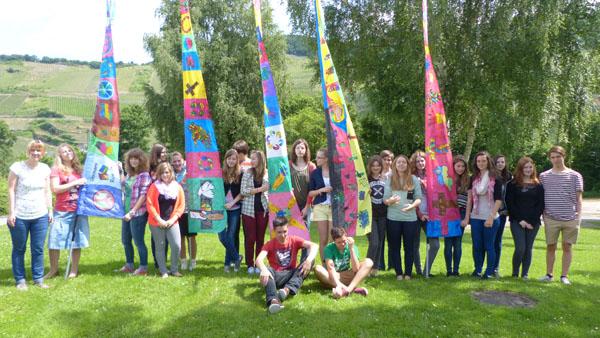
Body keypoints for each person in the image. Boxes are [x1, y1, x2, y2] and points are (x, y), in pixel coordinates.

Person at [7, 140, 52, 290]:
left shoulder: (45, 169)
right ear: (28, 151)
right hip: (20, 215)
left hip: (40, 215)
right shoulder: (17, 167)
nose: (36, 153)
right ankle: (20, 280)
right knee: (19, 248)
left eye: (39, 150)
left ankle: (38, 279)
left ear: (43, 153)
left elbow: (47, 191)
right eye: (33, 150)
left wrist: (50, 210)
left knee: (38, 248)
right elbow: (11, 190)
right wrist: (11, 212)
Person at [538, 146, 583, 285]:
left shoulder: (575, 175)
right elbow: (540, 197)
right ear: (550, 159)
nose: (555, 160)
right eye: (552, 157)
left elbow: (579, 198)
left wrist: (578, 216)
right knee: (551, 246)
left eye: (558, 156)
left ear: (564, 156)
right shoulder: (544, 176)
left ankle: (564, 276)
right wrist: (543, 215)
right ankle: (549, 274)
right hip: (551, 218)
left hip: (570, 218)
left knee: (567, 247)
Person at [256, 216, 318, 314]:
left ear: (288, 229)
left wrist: (308, 260)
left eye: (285, 231)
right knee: (267, 270)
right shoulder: (270, 244)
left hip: (291, 274)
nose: (283, 235)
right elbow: (259, 259)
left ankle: (286, 290)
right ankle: (274, 301)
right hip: (276, 276)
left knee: (310, 260)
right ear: (274, 231)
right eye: (279, 232)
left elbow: (314, 245)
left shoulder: (293, 239)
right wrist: (263, 270)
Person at [45, 143, 89, 279]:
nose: (68, 152)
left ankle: (74, 270)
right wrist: (76, 183)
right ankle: (53, 270)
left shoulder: (79, 170)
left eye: (69, 150)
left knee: (77, 240)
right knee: (54, 239)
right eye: (64, 151)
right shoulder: (56, 170)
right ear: (60, 155)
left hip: (79, 210)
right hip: (62, 210)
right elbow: (55, 189)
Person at [462, 151, 503, 279]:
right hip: (476, 217)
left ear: (488, 161)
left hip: (491, 216)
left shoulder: (496, 177)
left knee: (489, 246)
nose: (481, 163)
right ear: (476, 163)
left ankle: (489, 272)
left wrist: (491, 216)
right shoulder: (473, 178)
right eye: (478, 161)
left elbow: (498, 200)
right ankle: (477, 270)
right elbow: (469, 200)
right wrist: (467, 217)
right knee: (477, 246)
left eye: (483, 161)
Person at [383, 155, 422, 281]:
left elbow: (418, 198)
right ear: (395, 165)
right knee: (394, 247)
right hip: (393, 218)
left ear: (407, 165)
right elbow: (385, 200)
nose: (401, 164)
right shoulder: (389, 179)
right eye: (398, 162)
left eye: (403, 162)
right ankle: (399, 273)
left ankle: (408, 274)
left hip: (410, 219)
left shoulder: (413, 179)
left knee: (409, 247)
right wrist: (391, 200)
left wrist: (412, 206)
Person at [506, 157, 544, 280]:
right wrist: (521, 220)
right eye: (525, 167)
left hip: (533, 223)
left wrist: (531, 221)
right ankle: (515, 273)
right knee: (520, 247)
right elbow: (510, 204)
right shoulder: (512, 184)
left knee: (528, 248)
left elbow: (540, 205)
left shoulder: (538, 185)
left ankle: (525, 274)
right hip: (517, 221)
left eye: (530, 167)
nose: (528, 169)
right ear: (520, 169)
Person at [146, 162, 185, 278]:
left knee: (176, 245)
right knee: (160, 246)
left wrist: (172, 220)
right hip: (156, 222)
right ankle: (163, 271)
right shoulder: (154, 186)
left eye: (167, 172)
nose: (165, 175)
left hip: (172, 221)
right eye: (162, 173)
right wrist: (159, 220)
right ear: (159, 174)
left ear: (171, 173)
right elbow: (150, 204)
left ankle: (174, 269)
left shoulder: (177, 187)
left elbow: (181, 205)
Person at [117, 148, 152, 276]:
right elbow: (122, 185)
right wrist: (120, 169)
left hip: (137, 214)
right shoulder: (130, 174)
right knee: (125, 240)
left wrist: (133, 211)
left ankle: (143, 268)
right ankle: (129, 265)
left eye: (136, 158)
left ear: (141, 160)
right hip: (125, 212)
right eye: (131, 158)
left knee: (138, 241)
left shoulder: (145, 175)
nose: (133, 161)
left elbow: (143, 195)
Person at [314, 227, 372, 298]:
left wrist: (351, 249)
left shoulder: (352, 246)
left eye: (344, 241)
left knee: (369, 262)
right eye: (339, 242)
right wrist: (338, 284)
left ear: (346, 237)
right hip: (334, 277)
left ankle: (347, 289)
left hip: (347, 275)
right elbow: (330, 269)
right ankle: (351, 290)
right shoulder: (329, 248)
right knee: (317, 268)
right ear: (334, 241)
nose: (342, 244)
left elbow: (356, 269)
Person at [241, 150, 269, 274]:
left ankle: (259, 264)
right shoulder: (247, 173)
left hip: (263, 210)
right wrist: (260, 189)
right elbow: (243, 191)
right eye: (251, 158)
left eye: (254, 158)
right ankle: (249, 264)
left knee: (260, 238)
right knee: (250, 238)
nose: (251, 161)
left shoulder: (267, 173)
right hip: (248, 210)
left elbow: (271, 190)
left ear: (261, 159)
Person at [411, 150, 438, 277]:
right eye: (417, 161)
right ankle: (419, 270)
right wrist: (420, 214)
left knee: (435, 244)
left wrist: (424, 184)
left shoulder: (432, 176)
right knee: (414, 244)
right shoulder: (410, 177)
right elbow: (410, 198)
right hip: (415, 214)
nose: (420, 163)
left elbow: (436, 195)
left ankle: (427, 270)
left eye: (422, 160)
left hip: (431, 216)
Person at [171, 152, 197, 271]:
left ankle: (193, 261)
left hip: (191, 208)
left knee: (191, 237)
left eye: (178, 160)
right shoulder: (170, 174)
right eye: (174, 161)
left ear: (183, 160)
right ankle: (183, 261)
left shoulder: (190, 171)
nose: (177, 163)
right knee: (180, 236)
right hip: (177, 210)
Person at [444, 155, 468, 276]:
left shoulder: (468, 180)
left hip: (462, 212)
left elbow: (470, 200)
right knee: (448, 243)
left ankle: (456, 270)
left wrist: (466, 218)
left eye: (463, 166)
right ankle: (449, 270)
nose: (460, 168)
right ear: (453, 166)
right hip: (449, 213)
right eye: (458, 166)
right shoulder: (448, 179)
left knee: (457, 242)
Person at [308, 148, 333, 261]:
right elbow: (310, 192)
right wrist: (321, 190)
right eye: (316, 157)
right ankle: (324, 265)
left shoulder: (335, 172)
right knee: (323, 239)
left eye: (319, 157)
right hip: (320, 207)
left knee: (332, 238)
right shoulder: (315, 173)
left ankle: (332, 264)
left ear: (326, 159)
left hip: (334, 208)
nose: (316, 159)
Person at [221, 149, 243, 273]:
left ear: (237, 160)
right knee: (222, 236)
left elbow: (242, 193)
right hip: (222, 209)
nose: (231, 161)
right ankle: (236, 257)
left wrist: (232, 203)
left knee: (231, 235)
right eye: (229, 158)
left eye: (234, 159)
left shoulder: (241, 173)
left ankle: (227, 263)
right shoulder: (221, 173)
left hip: (235, 209)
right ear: (226, 159)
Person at [149, 143, 169, 269]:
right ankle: (157, 261)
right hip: (154, 203)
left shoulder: (167, 166)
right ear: (156, 153)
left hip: (166, 204)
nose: (165, 154)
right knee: (155, 235)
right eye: (162, 152)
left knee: (166, 235)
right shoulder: (150, 168)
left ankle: (163, 260)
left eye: (166, 152)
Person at [366, 155, 386, 277]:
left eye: (378, 165)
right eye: (373, 165)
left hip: (383, 214)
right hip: (370, 215)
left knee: (380, 242)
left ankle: (375, 268)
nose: (375, 167)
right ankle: (366, 268)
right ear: (370, 167)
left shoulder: (386, 179)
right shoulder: (366, 180)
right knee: (374, 242)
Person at [493, 154, 513, 277]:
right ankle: (484, 267)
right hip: (490, 212)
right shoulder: (490, 176)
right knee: (488, 241)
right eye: (498, 162)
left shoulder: (509, 177)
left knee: (497, 240)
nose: (500, 164)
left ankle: (496, 268)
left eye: (502, 162)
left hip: (502, 213)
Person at [289, 139, 316, 218]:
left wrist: (307, 207)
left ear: (306, 150)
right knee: (290, 230)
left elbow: (312, 189)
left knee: (305, 229)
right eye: (297, 148)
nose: (300, 150)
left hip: (306, 205)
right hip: (290, 204)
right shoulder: (288, 164)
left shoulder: (311, 166)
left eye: (302, 148)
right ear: (294, 150)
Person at [232, 139, 251, 253]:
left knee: (248, 232)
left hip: (248, 202)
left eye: (238, 154)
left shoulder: (251, 163)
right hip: (235, 201)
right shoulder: (234, 163)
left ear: (244, 152)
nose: (236, 156)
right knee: (234, 230)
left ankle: (248, 256)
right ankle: (235, 255)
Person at [379, 149, 394, 271]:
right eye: (385, 159)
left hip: (392, 207)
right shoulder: (376, 173)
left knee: (392, 237)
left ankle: (392, 264)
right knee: (380, 237)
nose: (387, 161)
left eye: (389, 159)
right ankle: (380, 264)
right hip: (379, 208)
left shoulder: (394, 174)